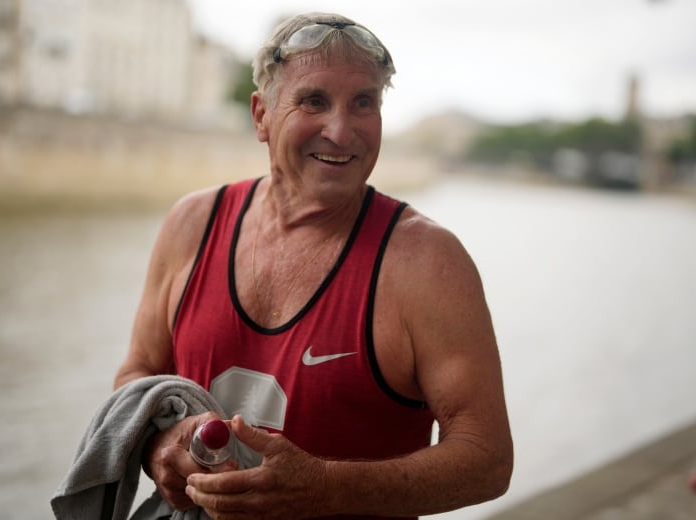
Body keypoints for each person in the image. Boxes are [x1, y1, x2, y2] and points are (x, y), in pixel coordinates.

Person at [114, 12, 513, 519]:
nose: (341, 131)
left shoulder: (427, 263)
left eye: (364, 103)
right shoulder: (193, 222)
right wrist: (160, 447)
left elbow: (488, 460)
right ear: (261, 115)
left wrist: (324, 488)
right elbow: (138, 372)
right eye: (314, 101)